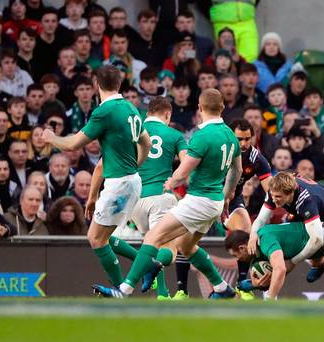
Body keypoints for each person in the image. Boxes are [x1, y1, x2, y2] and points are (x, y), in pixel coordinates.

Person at [93, 88, 242, 299]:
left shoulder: (200, 136)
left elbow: (184, 171)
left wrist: (173, 181)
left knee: (153, 239)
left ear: (199, 108)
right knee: (185, 246)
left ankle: (124, 290)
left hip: (177, 200)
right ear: (223, 108)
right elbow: (238, 170)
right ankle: (221, 287)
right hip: (212, 201)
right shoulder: (230, 136)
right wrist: (226, 195)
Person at [42, 65, 151, 290]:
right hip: (131, 180)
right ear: (119, 84)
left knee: (96, 239)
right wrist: (134, 165)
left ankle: (121, 288)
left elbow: (73, 144)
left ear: (95, 85)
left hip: (119, 184)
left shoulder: (104, 111)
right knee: (103, 235)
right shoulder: (131, 108)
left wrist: (51, 137)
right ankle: (146, 264)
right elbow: (146, 143)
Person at [227, 219, 324, 299]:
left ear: (242, 247)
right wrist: (257, 285)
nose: (237, 260)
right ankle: (320, 262)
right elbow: (284, 268)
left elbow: (281, 269)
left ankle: (320, 263)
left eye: (235, 256)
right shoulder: (257, 257)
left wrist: (270, 299)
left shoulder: (265, 238)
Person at [248, 172, 324, 283]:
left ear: (290, 193)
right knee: (283, 244)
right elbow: (261, 219)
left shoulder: (306, 200)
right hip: (309, 210)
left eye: (278, 197)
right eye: (272, 196)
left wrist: (293, 261)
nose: (273, 200)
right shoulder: (275, 189)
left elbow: (317, 240)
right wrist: (253, 234)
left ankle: (320, 262)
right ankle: (265, 281)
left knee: (302, 245)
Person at [222, 118, 271, 298]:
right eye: (239, 139)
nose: (243, 143)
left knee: (246, 233)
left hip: (232, 201)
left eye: (247, 138)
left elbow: (271, 192)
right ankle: (182, 290)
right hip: (207, 196)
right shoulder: (219, 151)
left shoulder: (256, 159)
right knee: (184, 239)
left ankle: (243, 285)